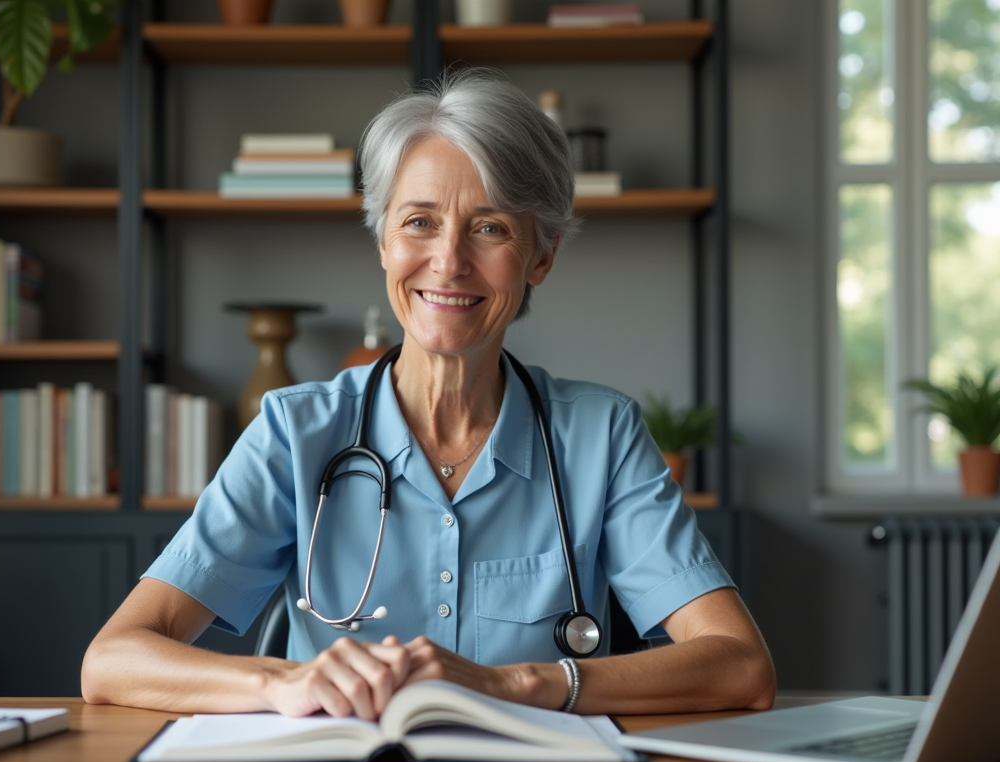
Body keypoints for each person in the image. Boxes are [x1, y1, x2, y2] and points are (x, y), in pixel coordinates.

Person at [81, 69, 775, 720]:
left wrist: (518, 682)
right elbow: (112, 661)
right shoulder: (295, 432)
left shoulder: (602, 435)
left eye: (491, 226)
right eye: (418, 222)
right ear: (383, 240)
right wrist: (284, 681)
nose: (448, 260)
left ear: (541, 256)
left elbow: (742, 667)